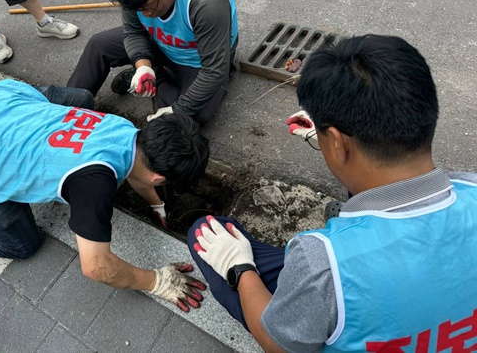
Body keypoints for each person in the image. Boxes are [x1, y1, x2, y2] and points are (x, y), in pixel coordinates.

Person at [187, 35, 477, 351]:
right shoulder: (471, 188)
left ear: (338, 144)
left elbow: (277, 344)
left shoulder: (321, 262)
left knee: (203, 232)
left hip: (326, 289)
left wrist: (239, 269)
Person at [0, 79, 209, 312]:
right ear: (160, 177)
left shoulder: (125, 129)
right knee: (21, 244)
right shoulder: (94, 183)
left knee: (80, 98)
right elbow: (96, 267)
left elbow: (138, 172)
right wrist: (157, 281)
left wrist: (157, 204)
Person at [67, 0, 239, 126]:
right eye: (138, 9)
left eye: (149, 6)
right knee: (99, 45)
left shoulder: (207, 2)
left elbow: (214, 71)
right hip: (160, 41)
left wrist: (176, 110)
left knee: (197, 115)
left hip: (196, 57)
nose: (146, 15)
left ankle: (159, 79)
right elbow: (133, 31)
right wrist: (143, 66)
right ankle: (64, 116)